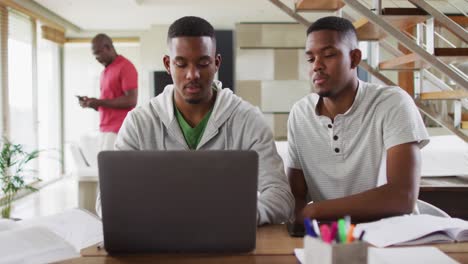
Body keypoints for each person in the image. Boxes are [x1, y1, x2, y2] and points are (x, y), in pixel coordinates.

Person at [96, 16, 294, 225]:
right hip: (159, 241)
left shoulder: (248, 120)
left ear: (216, 63)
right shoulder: (138, 123)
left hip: (227, 237)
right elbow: (107, 200)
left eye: (203, 63)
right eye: (181, 64)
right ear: (167, 64)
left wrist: (239, 215)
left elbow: (281, 197)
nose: (192, 74)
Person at [287, 16, 430, 223]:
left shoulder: (392, 102)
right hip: (332, 238)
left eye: (328, 55)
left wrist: (315, 211)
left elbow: (403, 197)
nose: (317, 66)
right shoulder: (300, 113)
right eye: (311, 59)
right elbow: (297, 196)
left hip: (394, 237)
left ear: (354, 58)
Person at [78, 34, 138, 150]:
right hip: (105, 129)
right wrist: (92, 103)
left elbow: (131, 100)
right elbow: (108, 102)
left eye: (97, 53)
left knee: (111, 167)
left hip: (118, 129)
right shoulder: (105, 72)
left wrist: (99, 102)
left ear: (108, 47)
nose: (96, 58)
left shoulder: (125, 66)